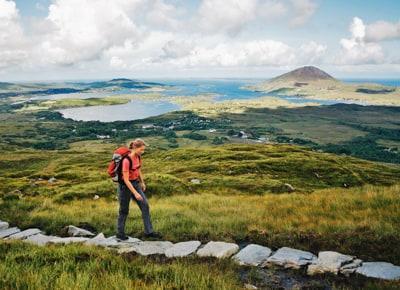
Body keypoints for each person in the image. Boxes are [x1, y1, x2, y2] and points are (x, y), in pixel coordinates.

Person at [116, 138, 162, 240]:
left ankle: (149, 232)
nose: (143, 152)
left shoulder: (138, 157)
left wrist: (142, 182)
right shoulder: (126, 161)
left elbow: (138, 169)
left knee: (145, 205)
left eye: (143, 150)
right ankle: (120, 233)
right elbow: (126, 180)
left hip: (136, 183)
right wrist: (135, 193)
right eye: (141, 150)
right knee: (124, 210)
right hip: (125, 187)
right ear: (134, 148)